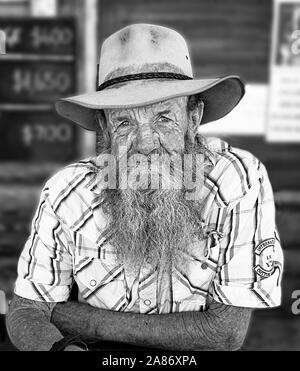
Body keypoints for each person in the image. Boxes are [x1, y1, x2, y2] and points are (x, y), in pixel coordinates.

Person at [6, 24, 283, 351]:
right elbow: (26, 309)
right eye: (124, 122)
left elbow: (224, 334)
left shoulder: (238, 179)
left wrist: (82, 319)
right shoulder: (67, 191)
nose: (146, 144)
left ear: (193, 119)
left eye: (164, 117)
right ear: (105, 129)